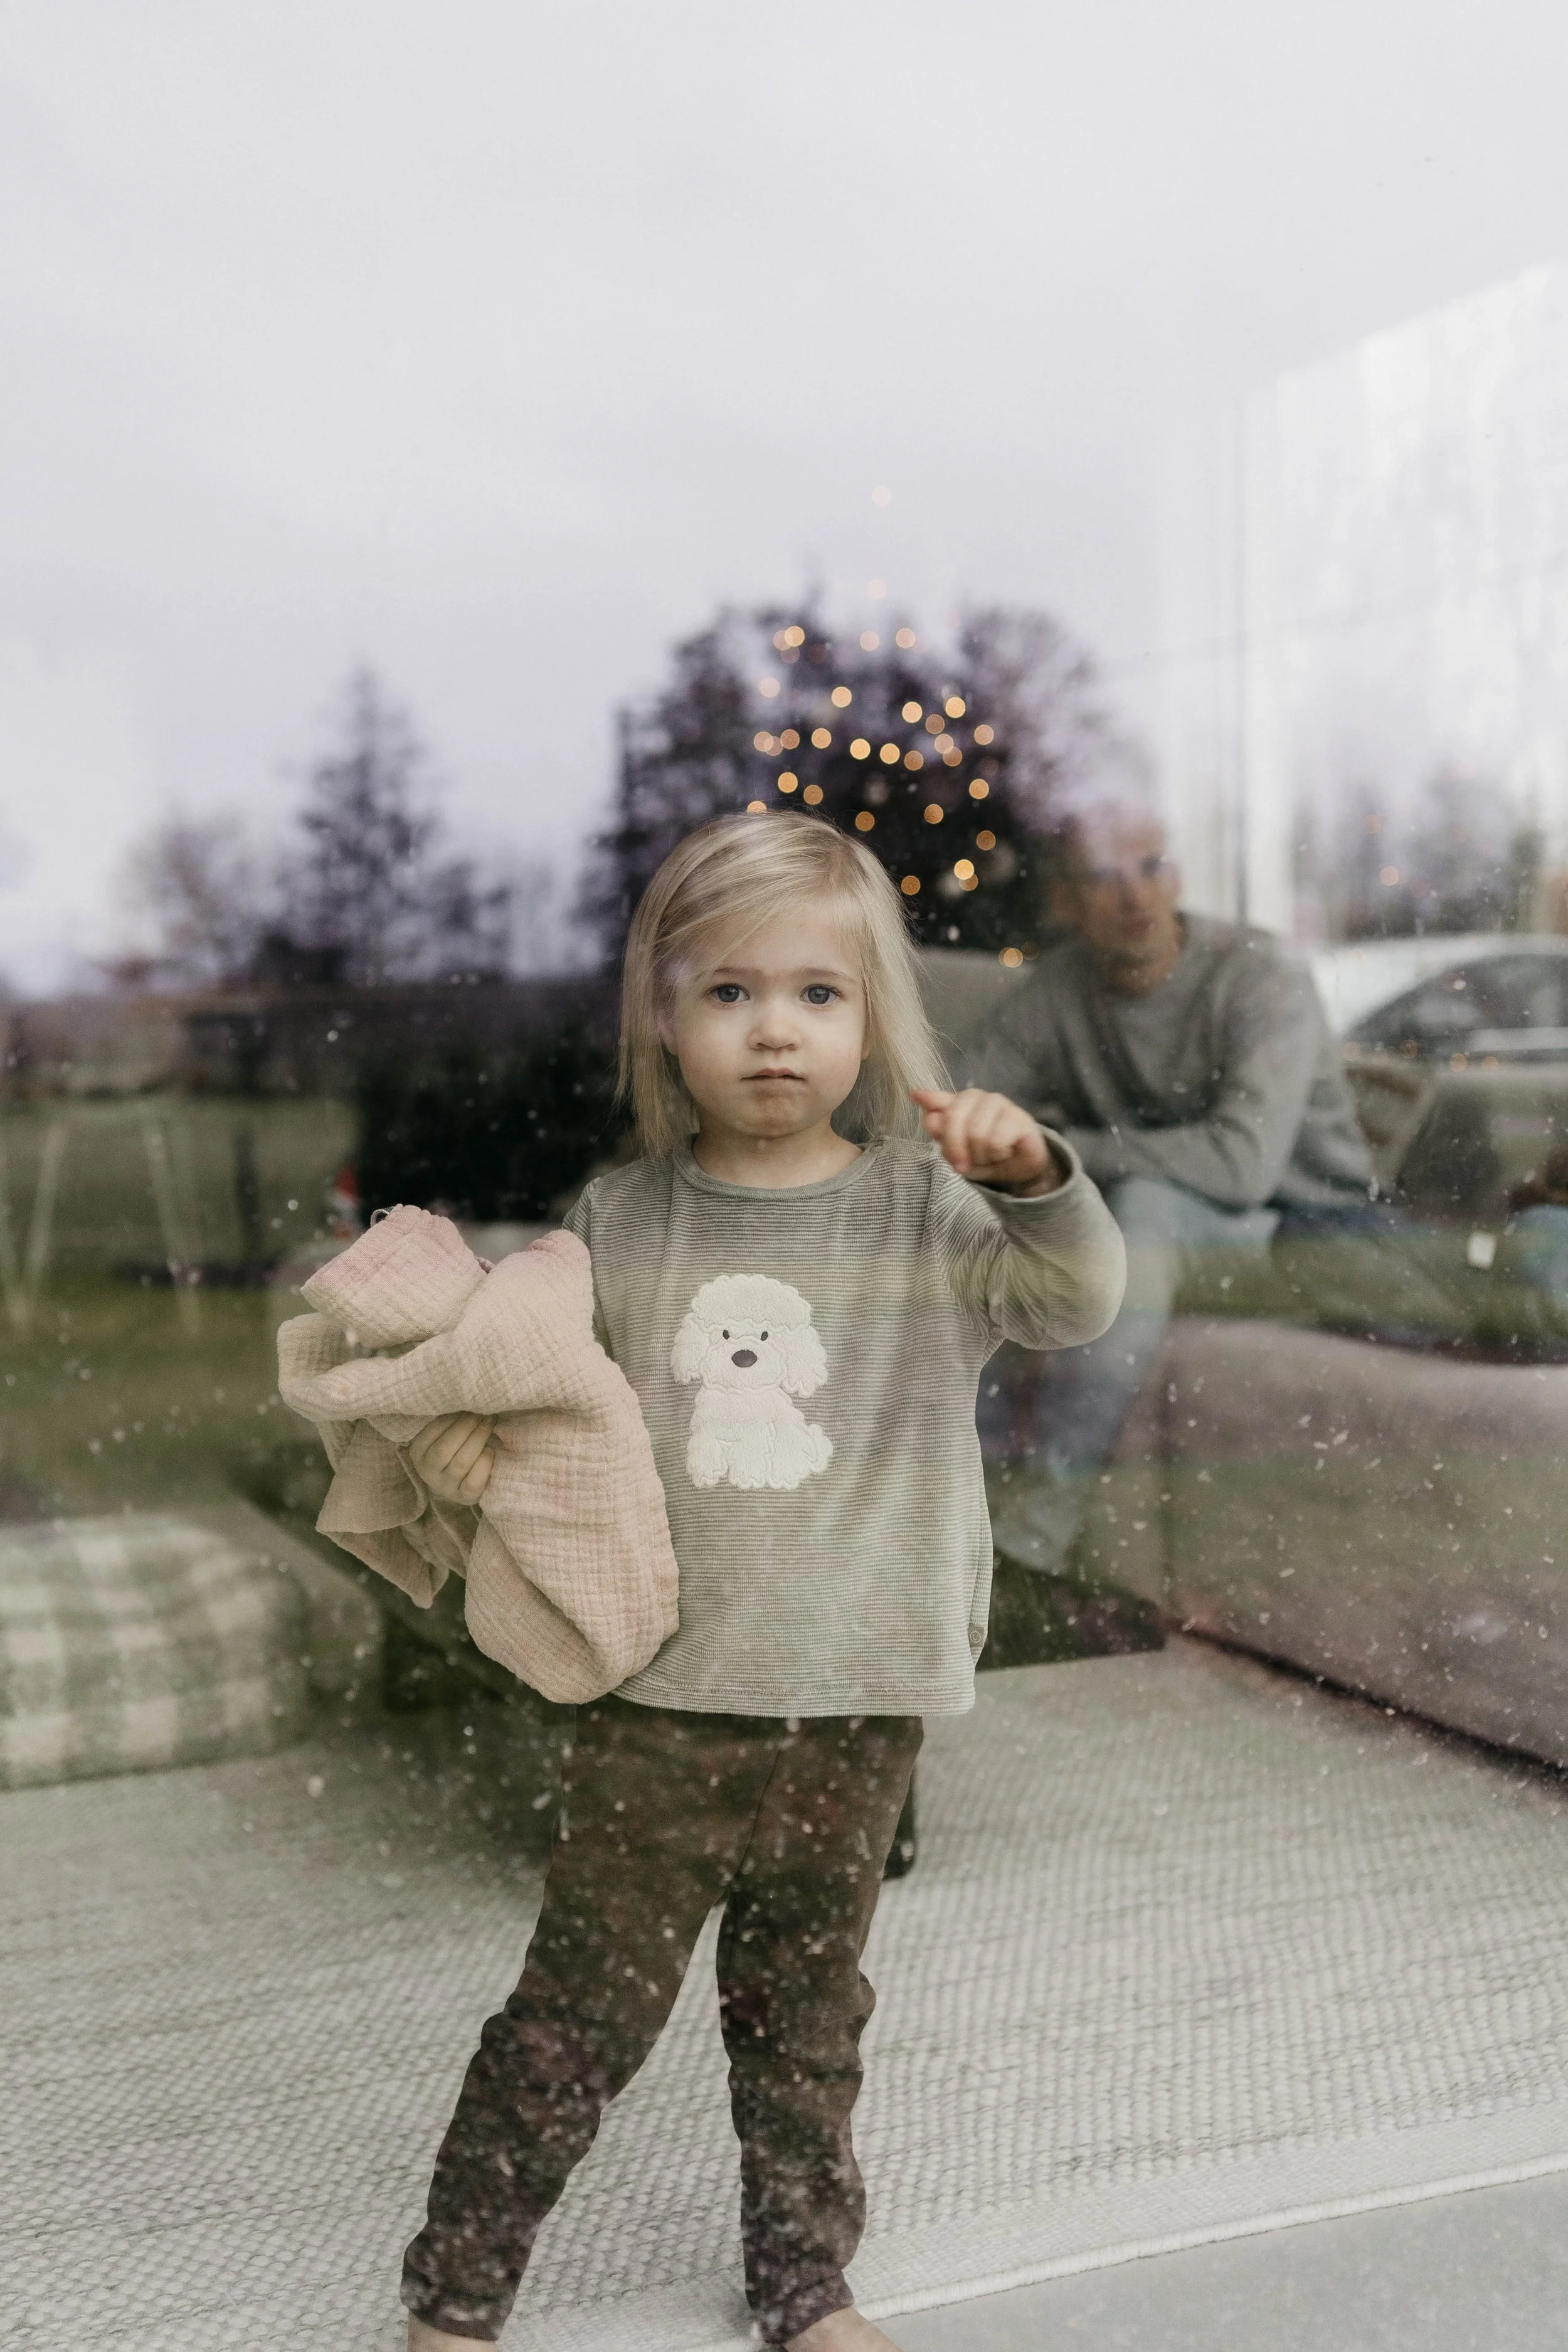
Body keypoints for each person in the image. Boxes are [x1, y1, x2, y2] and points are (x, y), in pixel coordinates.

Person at [395, 810, 1125, 2350]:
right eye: (726, 993)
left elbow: (1069, 1306)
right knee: (578, 2016)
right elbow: (554, 1422)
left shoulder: (925, 1209)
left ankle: (802, 2290)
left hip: (857, 1696)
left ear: (870, 1019)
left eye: (815, 994)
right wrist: (474, 1456)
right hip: (666, 1697)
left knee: (802, 2017)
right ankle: (457, 2299)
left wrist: (1038, 1174)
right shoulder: (620, 1219)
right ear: (663, 1018)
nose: (773, 1031)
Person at [960, 796, 1385, 1636]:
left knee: (1134, 1207)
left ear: (1177, 873)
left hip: (1309, 1233)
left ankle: (1029, 1555)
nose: (1133, 896)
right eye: (1104, 877)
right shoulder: (1062, 987)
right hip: (1163, 1232)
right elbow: (962, 1097)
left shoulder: (1258, 974)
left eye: (1150, 867)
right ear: (1070, 901)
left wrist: (1054, 1151)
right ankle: (953, 1530)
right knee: (1016, 1219)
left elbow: (1240, 1164)